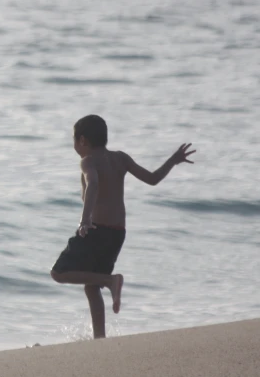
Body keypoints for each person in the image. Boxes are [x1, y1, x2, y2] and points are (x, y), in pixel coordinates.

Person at [50, 115, 195, 339]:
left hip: (96, 229)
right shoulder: (120, 158)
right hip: (118, 232)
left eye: (74, 140)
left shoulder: (87, 161)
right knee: (91, 285)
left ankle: (111, 281)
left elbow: (93, 183)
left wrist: (85, 219)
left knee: (59, 273)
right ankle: (100, 338)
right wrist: (173, 160)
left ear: (83, 141)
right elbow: (153, 178)